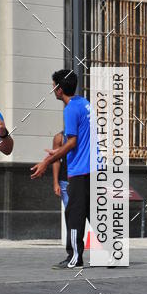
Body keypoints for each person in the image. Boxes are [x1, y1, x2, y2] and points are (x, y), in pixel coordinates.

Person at [31, 70, 91, 269]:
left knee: (74, 215)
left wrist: (46, 162)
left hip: (80, 170)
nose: (53, 90)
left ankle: (75, 257)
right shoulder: (84, 103)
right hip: (93, 168)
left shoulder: (71, 109)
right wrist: (57, 153)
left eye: (53, 86)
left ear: (59, 89)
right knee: (92, 212)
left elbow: (72, 142)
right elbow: (79, 139)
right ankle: (113, 253)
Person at [51, 130, 72, 266]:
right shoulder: (59, 137)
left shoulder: (84, 134)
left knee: (91, 215)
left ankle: (111, 250)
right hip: (65, 182)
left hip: (83, 180)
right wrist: (56, 182)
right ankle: (72, 254)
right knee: (71, 217)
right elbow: (55, 160)